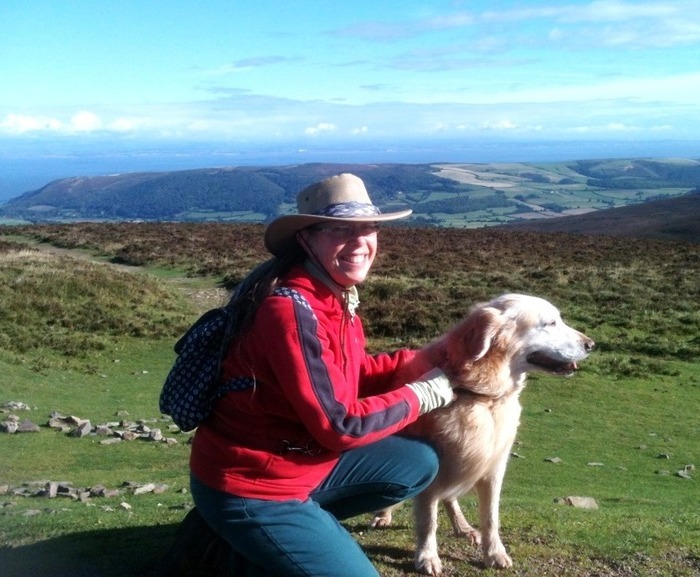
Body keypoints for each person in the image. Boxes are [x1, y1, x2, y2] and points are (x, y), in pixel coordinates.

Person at [188, 173, 454, 576]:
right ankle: (254, 534)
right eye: (340, 230)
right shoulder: (290, 311)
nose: (360, 242)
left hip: (302, 464)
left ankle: (278, 540)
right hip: (253, 485)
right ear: (306, 239)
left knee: (417, 462)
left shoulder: (333, 298)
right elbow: (340, 425)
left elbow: (348, 377)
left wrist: (422, 361)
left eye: (369, 228)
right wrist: (424, 394)